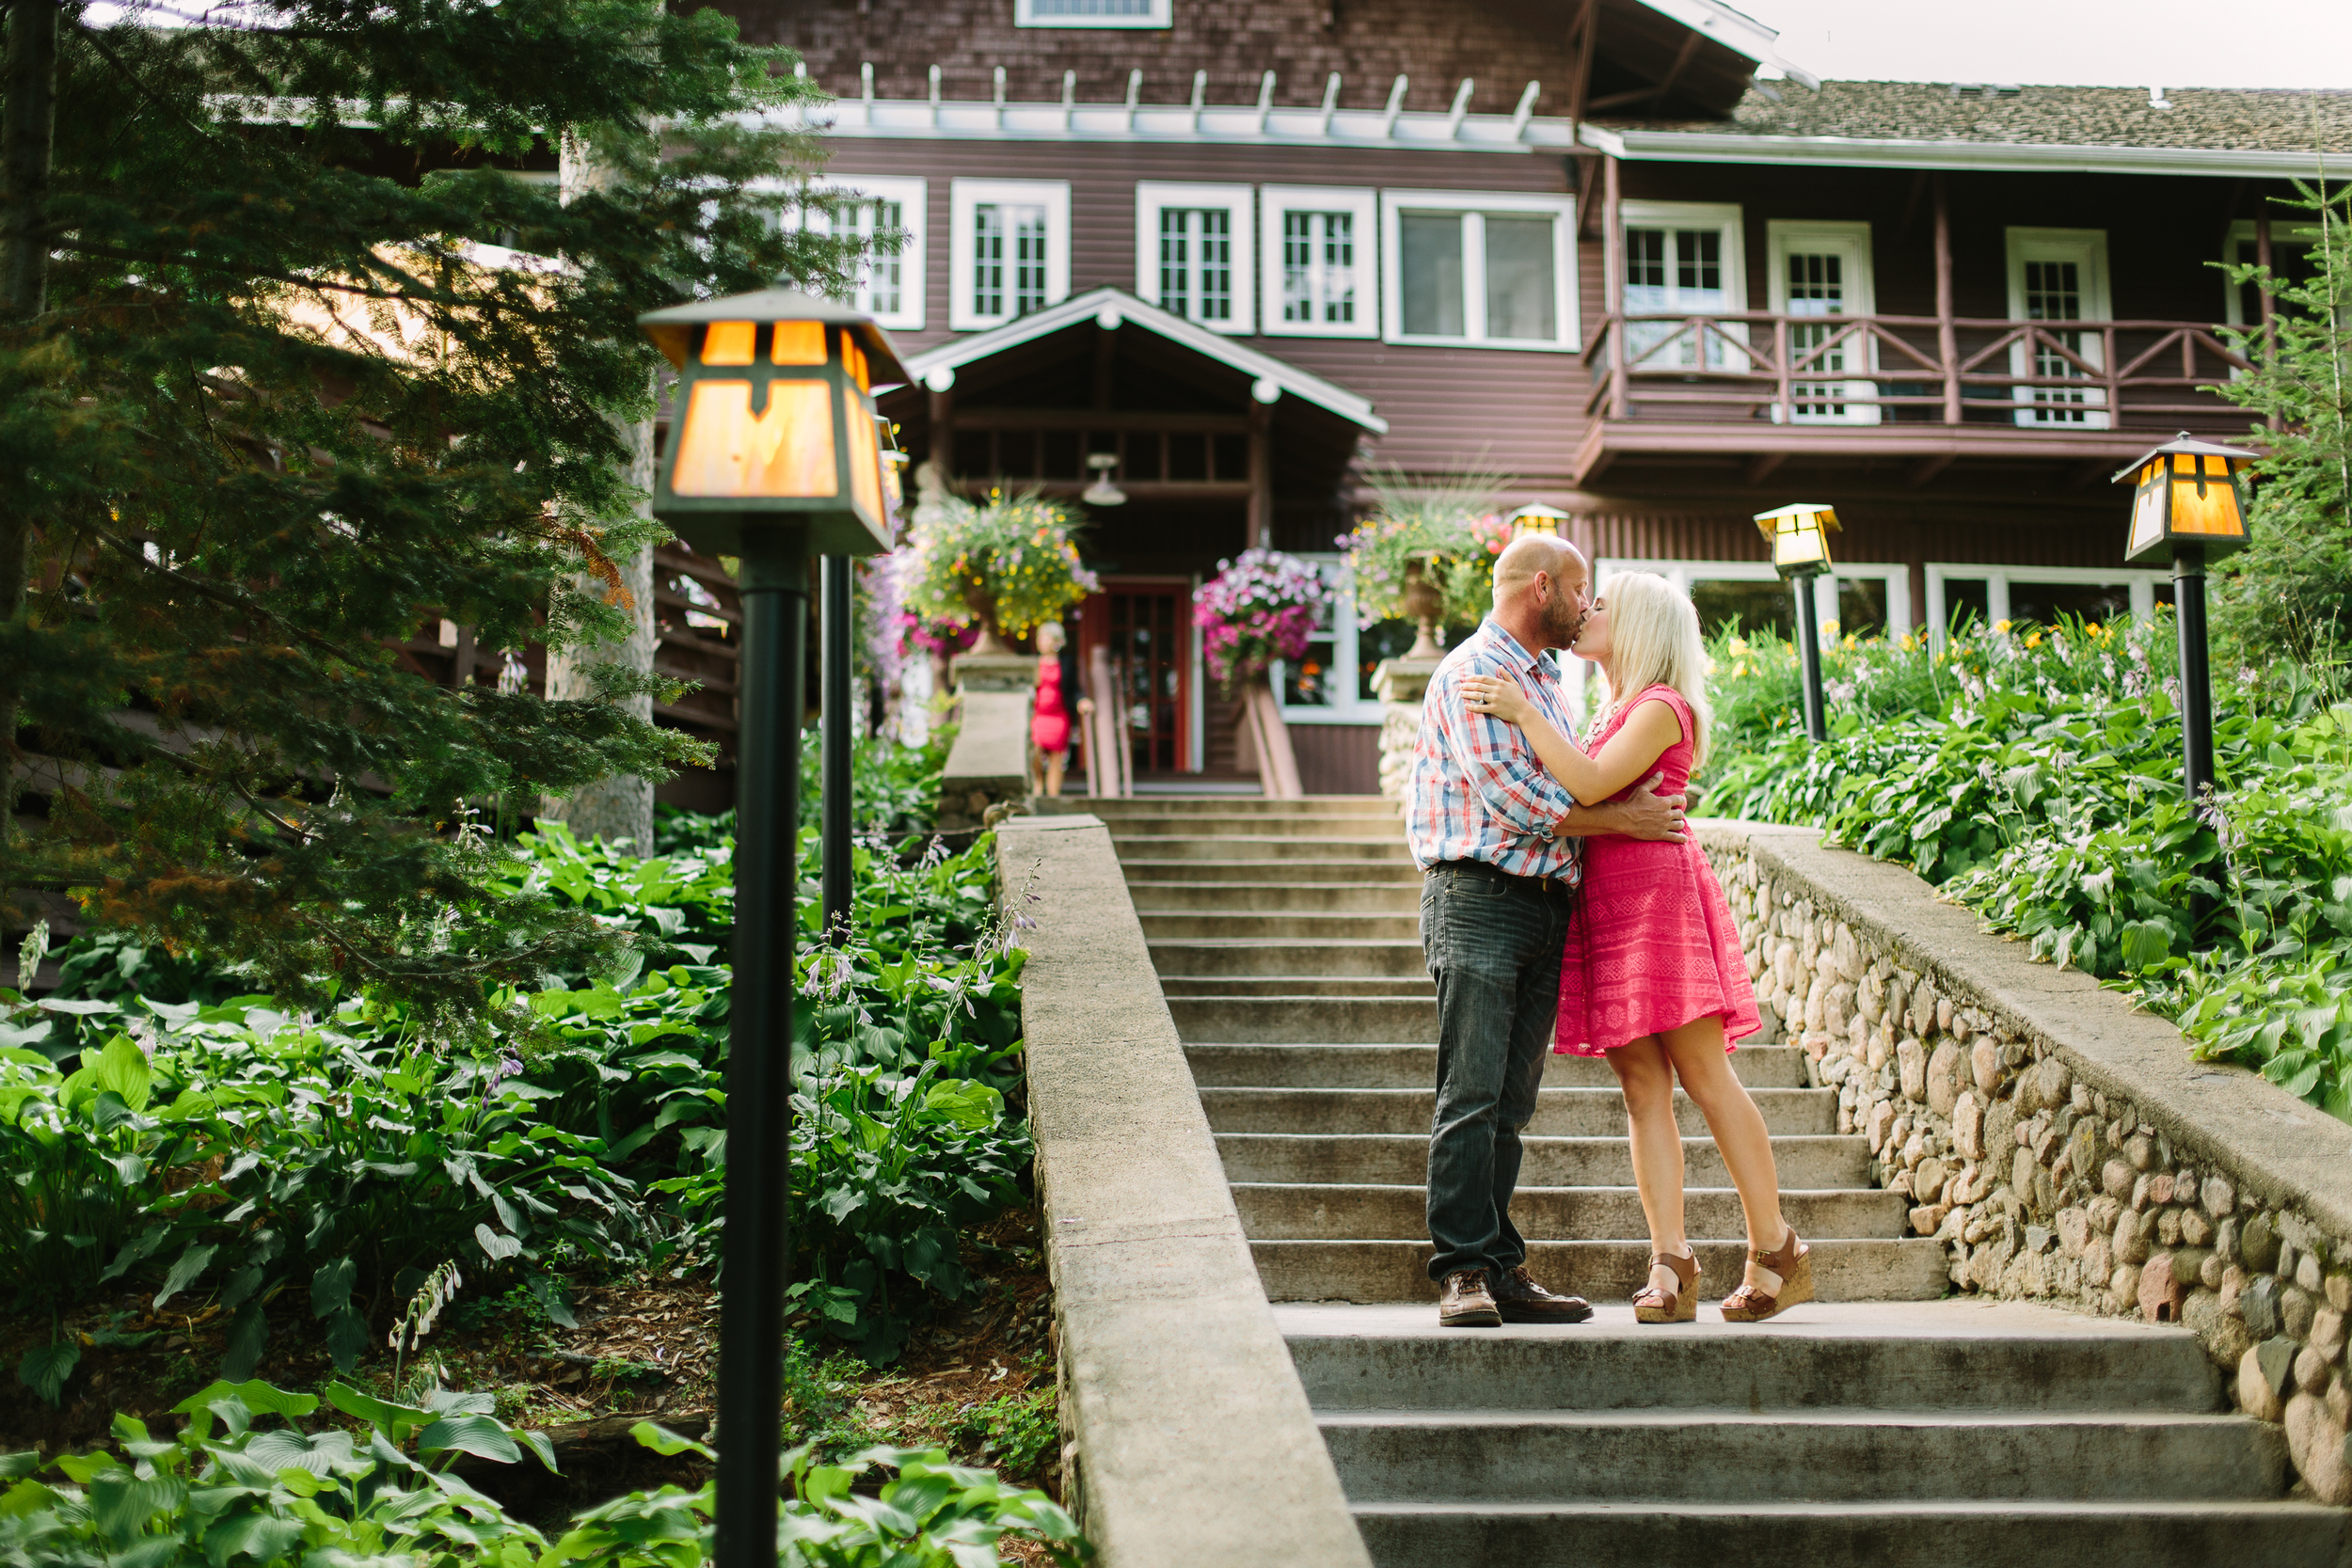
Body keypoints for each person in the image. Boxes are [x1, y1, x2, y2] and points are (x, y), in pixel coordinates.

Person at [1462, 570, 1811, 1324]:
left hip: (1658, 902)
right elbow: (1585, 787)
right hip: (1610, 907)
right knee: (1642, 1089)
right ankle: (1672, 1260)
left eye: (1604, 604)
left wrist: (1521, 709)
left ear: (1642, 626)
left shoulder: (1660, 707)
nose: (1587, 611)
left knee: (1705, 1075)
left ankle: (1774, 1245)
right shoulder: (1612, 709)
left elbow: (1585, 786)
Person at [1406, 533, 1691, 1329]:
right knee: (1471, 1092)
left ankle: (1499, 1267)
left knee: (1511, 1102)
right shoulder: (1475, 672)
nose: (1587, 604)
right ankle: (1461, 1271)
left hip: (1544, 902)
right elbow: (1516, 798)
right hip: (1478, 897)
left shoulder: (1544, 683)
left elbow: (1559, 773)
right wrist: (1622, 818)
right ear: (1542, 587)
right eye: (1580, 588)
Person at [1029, 620, 1092, 798]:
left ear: (1056, 641)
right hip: (1038, 716)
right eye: (1040, 637)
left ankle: (1053, 793)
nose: (1041, 641)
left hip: (1059, 716)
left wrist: (1082, 701)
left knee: (1057, 757)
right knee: (1035, 751)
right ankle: (1038, 785)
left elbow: (1074, 689)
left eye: (1045, 637)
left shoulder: (1066, 662)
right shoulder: (1034, 663)